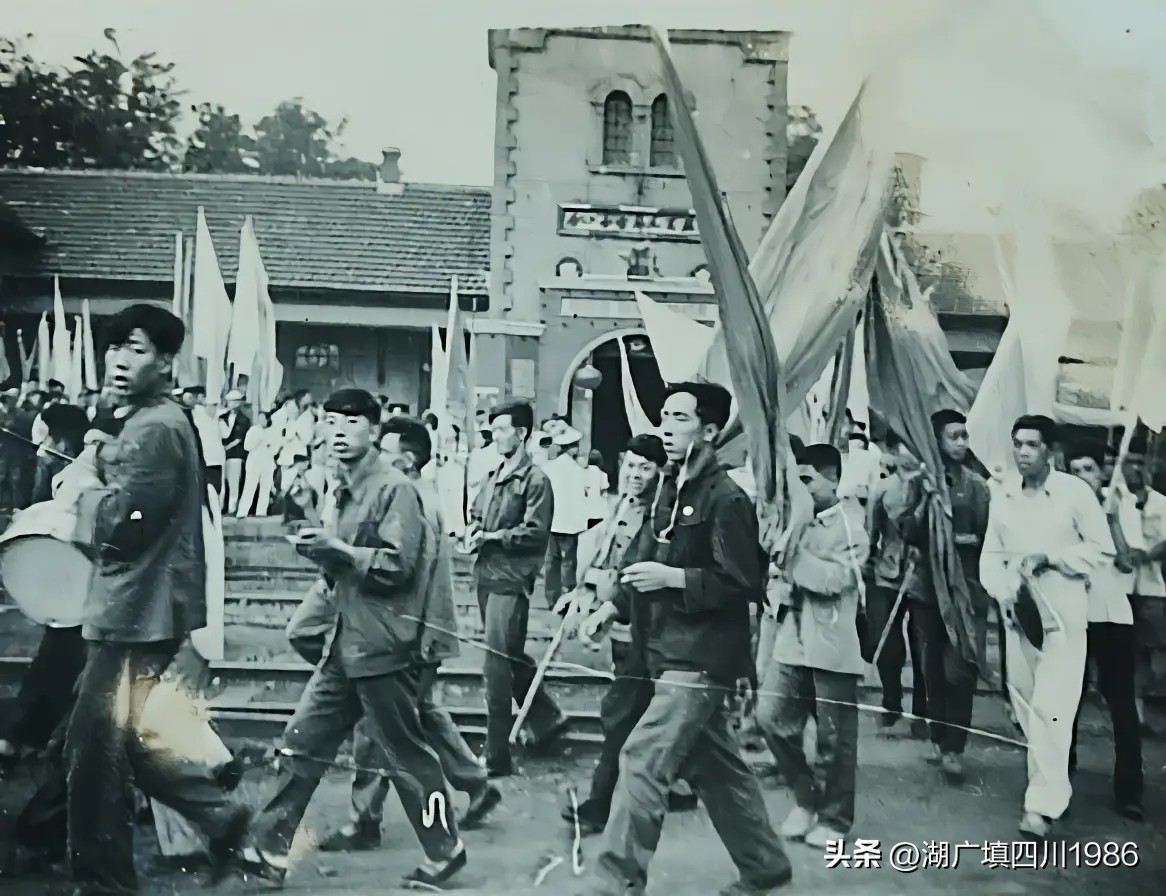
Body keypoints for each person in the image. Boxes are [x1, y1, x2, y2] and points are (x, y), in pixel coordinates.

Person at [240, 389, 467, 888]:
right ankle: (269, 849)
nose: (339, 432)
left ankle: (445, 849)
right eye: (330, 421)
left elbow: (397, 566)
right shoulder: (341, 487)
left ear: (374, 429)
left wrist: (338, 550)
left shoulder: (394, 488)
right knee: (301, 742)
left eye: (351, 422)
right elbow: (342, 567)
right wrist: (319, 548)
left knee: (407, 755)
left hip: (385, 646)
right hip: (345, 644)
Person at [577, 382, 792, 896]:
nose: (666, 428)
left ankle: (616, 881)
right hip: (665, 650)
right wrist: (611, 607)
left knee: (642, 758)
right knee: (718, 771)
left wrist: (675, 579)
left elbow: (743, 582)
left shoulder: (726, 498)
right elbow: (643, 559)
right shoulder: (668, 490)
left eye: (680, 418)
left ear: (710, 431)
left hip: (701, 657)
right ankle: (766, 869)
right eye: (664, 416)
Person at [63, 304, 249, 893]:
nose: (119, 360)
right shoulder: (153, 420)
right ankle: (222, 819)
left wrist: (83, 489)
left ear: (166, 361)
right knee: (121, 740)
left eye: (137, 349)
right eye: (114, 346)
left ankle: (103, 882)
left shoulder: (154, 427)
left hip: (135, 610)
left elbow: (123, 526)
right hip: (140, 607)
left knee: (93, 753)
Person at [980, 414, 1114, 840]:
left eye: (1032, 445)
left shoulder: (1075, 493)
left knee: (1052, 710)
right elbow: (991, 555)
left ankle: (1041, 806)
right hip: (1019, 618)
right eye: (1018, 444)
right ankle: (1047, 790)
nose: (1023, 452)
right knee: (1026, 707)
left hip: (1063, 617)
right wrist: (1002, 592)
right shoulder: (1003, 495)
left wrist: (1051, 558)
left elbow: (1101, 549)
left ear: (1051, 451)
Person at [557, 434, 697, 834]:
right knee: (645, 709)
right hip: (623, 625)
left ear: (660, 472)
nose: (635, 475)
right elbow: (606, 560)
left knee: (622, 711)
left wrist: (606, 604)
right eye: (631, 465)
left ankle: (601, 803)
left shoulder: (661, 515)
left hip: (652, 627)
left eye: (645, 468)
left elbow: (637, 570)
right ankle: (680, 784)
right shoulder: (620, 505)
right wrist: (582, 594)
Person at [758, 443, 869, 847]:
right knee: (770, 718)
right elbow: (774, 579)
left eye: (808, 480)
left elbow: (835, 581)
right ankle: (805, 799)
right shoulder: (793, 522)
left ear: (834, 480)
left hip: (832, 642)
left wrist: (790, 558)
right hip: (791, 639)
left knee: (834, 738)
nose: (800, 489)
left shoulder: (851, 527)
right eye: (797, 480)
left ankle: (835, 819)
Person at [466, 400, 567, 777]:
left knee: (496, 666)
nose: (495, 436)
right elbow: (478, 514)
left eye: (502, 429)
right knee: (508, 655)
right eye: (493, 429)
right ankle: (548, 718)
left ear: (522, 433)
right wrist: (472, 531)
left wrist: (492, 537)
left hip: (510, 580)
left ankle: (496, 756)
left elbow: (536, 532)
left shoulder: (536, 480)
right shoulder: (493, 475)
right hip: (486, 575)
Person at [901, 409, 991, 785]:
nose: (961, 443)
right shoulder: (920, 482)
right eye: (953, 436)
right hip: (926, 591)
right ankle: (940, 740)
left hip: (966, 591)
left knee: (961, 671)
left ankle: (955, 747)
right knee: (931, 671)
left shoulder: (978, 487)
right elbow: (907, 531)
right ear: (936, 440)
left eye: (964, 436)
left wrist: (963, 541)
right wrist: (925, 500)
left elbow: (991, 539)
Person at [1063, 442, 1144, 821]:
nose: (1083, 477)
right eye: (1075, 470)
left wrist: (1110, 521)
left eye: (1089, 469)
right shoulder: (1061, 507)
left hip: (1113, 617)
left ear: (1102, 472)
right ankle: (1057, 785)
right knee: (1066, 703)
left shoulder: (1121, 505)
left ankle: (1130, 791)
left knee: (1122, 705)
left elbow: (1128, 563)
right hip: (1072, 615)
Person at [865, 434, 927, 738]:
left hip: (922, 573)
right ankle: (891, 700)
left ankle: (921, 711)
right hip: (886, 572)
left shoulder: (932, 487)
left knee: (923, 643)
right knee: (886, 639)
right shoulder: (882, 489)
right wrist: (867, 563)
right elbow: (870, 532)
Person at [1113, 438, 1166, 737]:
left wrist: (1145, 555)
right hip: (1120, 586)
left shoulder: (1162, 503)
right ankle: (1133, 712)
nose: (1134, 469)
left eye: (1139, 462)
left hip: (1150, 586)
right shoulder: (1113, 500)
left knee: (1149, 651)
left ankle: (1142, 705)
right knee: (1124, 651)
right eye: (1128, 462)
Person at [543, 427, 589, 607]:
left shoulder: (547, 468)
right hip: (571, 523)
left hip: (552, 521)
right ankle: (568, 596)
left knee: (551, 560)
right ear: (571, 447)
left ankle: (551, 598)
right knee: (569, 561)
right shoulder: (580, 470)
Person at [237, 411, 277, 517]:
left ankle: (261, 512)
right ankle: (242, 512)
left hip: (267, 463)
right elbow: (246, 446)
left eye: (263, 419)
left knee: (265, 488)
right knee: (250, 487)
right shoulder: (253, 430)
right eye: (260, 419)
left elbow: (274, 449)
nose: (261, 421)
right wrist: (258, 440)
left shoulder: (271, 431)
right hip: (254, 463)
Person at [218, 389, 250, 515]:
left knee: (234, 482)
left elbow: (239, 438)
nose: (230, 404)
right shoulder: (222, 417)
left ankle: (232, 508)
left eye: (233, 401)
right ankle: (220, 507)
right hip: (222, 455)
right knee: (222, 483)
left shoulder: (244, 419)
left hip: (235, 455)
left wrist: (226, 447)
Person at [583, 448, 611, 528]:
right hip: (599, 511)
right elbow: (603, 490)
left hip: (586, 510)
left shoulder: (583, 474)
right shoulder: (603, 475)